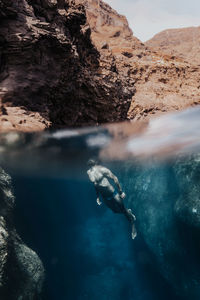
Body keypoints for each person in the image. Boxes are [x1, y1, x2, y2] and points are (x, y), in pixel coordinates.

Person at [87, 159, 137, 239]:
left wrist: (121, 192)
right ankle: (128, 212)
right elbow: (95, 184)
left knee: (124, 212)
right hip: (105, 197)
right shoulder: (89, 173)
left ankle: (133, 225)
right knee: (115, 211)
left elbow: (115, 178)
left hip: (113, 194)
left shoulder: (103, 170)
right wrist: (97, 197)